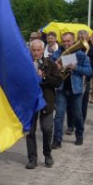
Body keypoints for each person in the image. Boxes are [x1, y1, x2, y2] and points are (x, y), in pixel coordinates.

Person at [51, 32, 92, 148]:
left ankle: (79, 135)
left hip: (76, 90)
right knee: (59, 115)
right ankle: (57, 139)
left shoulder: (81, 55)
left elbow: (89, 71)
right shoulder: (56, 54)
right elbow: (50, 70)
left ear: (73, 41)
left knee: (77, 115)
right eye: (64, 41)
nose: (66, 44)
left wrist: (75, 67)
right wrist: (56, 68)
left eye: (68, 41)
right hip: (61, 89)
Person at [26, 39, 61, 168]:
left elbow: (58, 82)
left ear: (42, 50)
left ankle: (47, 154)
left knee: (46, 128)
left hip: (46, 101)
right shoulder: (26, 64)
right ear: (30, 50)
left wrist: (45, 77)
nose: (36, 53)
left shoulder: (50, 64)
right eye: (33, 50)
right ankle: (32, 158)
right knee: (30, 131)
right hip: (30, 102)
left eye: (38, 50)